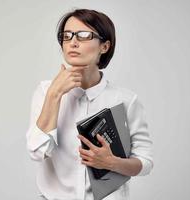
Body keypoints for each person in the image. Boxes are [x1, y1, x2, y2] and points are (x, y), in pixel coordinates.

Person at [26, 8, 153, 200]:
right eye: (67, 36)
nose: (73, 42)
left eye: (84, 35)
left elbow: (145, 162)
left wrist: (112, 163)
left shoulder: (125, 100)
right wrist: (55, 94)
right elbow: (37, 152)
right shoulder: (46, 91)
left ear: (104, 46)